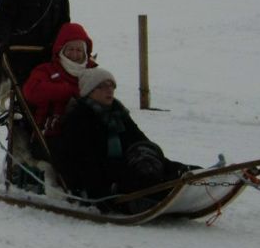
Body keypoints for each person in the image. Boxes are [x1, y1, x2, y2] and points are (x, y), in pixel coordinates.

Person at [54, 68, 187, 213]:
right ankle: (164, 192)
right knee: (141, 179)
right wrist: (101, 190)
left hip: (122, 167)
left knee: (154, 164)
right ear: (89, 91)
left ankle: (185, 177)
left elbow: (139, 140)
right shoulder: (78, 118)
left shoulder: (118, 113)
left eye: (112, 86)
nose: (109, 90)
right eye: (102, 86)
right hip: (100, 180)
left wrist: (159, 161)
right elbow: (82, 162)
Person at [22, 22, 98, 140]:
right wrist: (68, 91)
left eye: (79, 50)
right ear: (61, 49)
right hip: (53, 133)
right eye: (70, 49)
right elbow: (31, 91)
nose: (74, 54)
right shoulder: (46, 70)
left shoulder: (92, 72)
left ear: (85, 53)